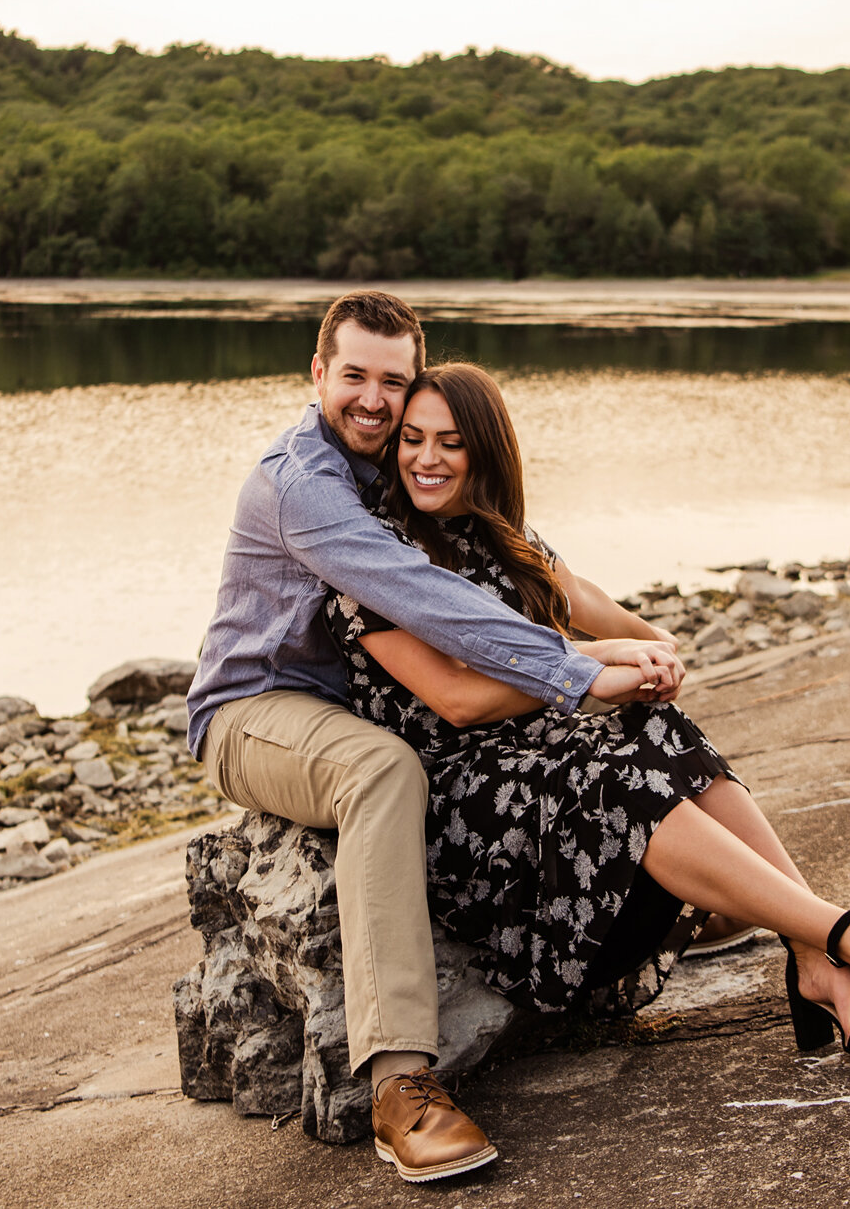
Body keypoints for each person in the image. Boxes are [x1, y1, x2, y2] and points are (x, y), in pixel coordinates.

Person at [323, 362, 850, 1063]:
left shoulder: (496, 529)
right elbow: (458, 699)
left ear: (486, 450)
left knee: (660, 730)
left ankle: (815, 956)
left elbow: (578, 597)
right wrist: (594, 667)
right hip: (475, 821)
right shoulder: (373, 555)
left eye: (450, 441)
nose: (426, 458)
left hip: (545, 772)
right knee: (615, 779)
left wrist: (654, 644)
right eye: (411, 439)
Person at [185, 292, 684, 1185]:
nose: (376, 401)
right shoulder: (305, 486)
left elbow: (521, 559)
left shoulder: (391, 459)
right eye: (355, 378)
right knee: (383, 769)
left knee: (604, 734)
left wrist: (643, 638)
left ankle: (689, 884)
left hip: (354, 702)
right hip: (255, 710)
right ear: (316, 375)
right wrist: (575, 668)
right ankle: (398, 1083)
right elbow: (431, 601)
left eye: (394, 380)